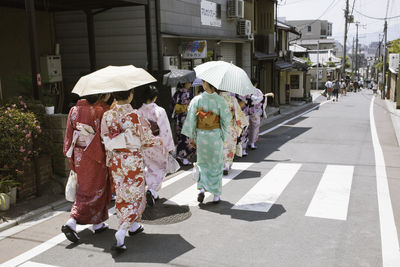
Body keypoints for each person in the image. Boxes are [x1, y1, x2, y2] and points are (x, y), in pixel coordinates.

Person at [101, 89, 162, 251]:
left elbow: (105, 137)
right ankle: (122, 230)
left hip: (117, 159)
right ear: (130, 95)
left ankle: (134, 226)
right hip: (132, 159)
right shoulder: (134, 116)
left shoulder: (108, 115)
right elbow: (146, 138)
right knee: (135, 194)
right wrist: (158, 141)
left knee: (122, 193)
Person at [62, 93, 112, 243]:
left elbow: (69, 135)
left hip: (79, 154)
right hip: (94, 154)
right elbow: (103, 136)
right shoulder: (98, 111)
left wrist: (69, 154)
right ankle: (72, 221)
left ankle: (98, 223)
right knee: (97, 189)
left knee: (84, 188)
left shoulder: (74, 110)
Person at [181, 81, 231, 204]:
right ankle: (216, 195)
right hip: (215, 136)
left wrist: (192, 136)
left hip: (202, 136)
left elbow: (192, 118)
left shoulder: (197, 100)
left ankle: (202, 189)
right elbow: (226, 118)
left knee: (203, 163)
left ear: (206, 84)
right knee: (216, 164)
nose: (202, 83)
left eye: (203, 81)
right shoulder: (220, 101)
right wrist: (223, 134)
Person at [137, 86, 175, 206]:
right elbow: (165, 130)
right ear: (155, 97)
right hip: (158, 143)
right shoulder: (160, 111)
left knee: (149, 167)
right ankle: (152, 190)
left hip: (145, 144)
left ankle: (151, 190)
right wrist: (169, 147)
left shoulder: (138, 112)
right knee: (161, 168)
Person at [219, 91, 248, 175]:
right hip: (230, 127)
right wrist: (241, 127)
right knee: (230, 147)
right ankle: (227, 164)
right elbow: (238, 114)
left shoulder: (215, 99)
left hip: (217, 127)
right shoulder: (233, 99)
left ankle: (221, 164)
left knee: (220, 146)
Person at [172, 82, 196, 165]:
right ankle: (185, 158)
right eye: (189, 83)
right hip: (187, 118)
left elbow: (172, 105)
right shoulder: (188, 94)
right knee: (186, 138)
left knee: (180, 137)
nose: (190, 84)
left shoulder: (176, 93)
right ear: (184, 83)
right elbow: (193, 106)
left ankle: (179, 156)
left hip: (179, 118)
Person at [248, 78, 274, 150]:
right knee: (255, 128)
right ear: (256, 84)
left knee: (247, 128)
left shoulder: (246, 91)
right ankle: (252, 143)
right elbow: (261, 100)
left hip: (246, 112)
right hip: (255, 112)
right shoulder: (258, 91)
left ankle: (244, 144)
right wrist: (266, 95)